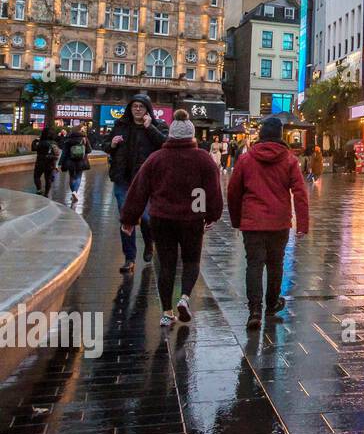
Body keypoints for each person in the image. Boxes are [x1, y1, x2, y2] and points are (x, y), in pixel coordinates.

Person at [119, 111, 223, 327]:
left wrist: (129, 219)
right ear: (191, 136)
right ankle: (184, 297)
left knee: (166, 265)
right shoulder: (203, 159)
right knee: (191, 261)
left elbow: (138, 190)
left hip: (161, 217)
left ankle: (167, 312)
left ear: (171, 136)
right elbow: (213, 190)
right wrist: (212, 214)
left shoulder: (156, 159)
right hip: (192, 218)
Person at [227, 116, 309, 329]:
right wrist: (303, 224)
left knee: (253, 264)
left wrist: (237, 220)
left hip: (252, 222)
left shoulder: (246, 159)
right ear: (280, 135)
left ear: (261, 134)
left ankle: (254, 310)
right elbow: (300, 192)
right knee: (275, 264)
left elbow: (234, 192)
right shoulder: (289, 159)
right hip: (279, 222)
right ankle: (272, 304)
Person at [108, 94, 168, 276]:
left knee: (148, 219)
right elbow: (105, 145)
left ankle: (149, 242)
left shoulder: (157, 126)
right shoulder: (121, 126)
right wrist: (110, 144)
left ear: (148, 109)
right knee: (127, 220)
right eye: (134, 106)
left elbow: (165, 144)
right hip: (123, 179)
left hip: (147, 181)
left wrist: (150, 128)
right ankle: (129, 258)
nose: (137, 109)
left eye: (141, 107)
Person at [58, 125, 91, 204]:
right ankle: (75, 192)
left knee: (72, 176)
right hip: (81, 161)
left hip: (70, 161)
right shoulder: (84, 138)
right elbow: (89, 150)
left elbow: (64, 152)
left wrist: (60, 163)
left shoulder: (68, 139)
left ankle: (73, 192)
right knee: (78, 176)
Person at [31, 127, 59, 198]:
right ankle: (46, 193)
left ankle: (39, 189)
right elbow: (56, 154)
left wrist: (35, 141)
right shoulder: (54, 143)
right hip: (50, 163)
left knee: (37, 176)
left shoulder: (41, 143)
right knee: (48, 179)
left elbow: (33, 148)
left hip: (40, 162)